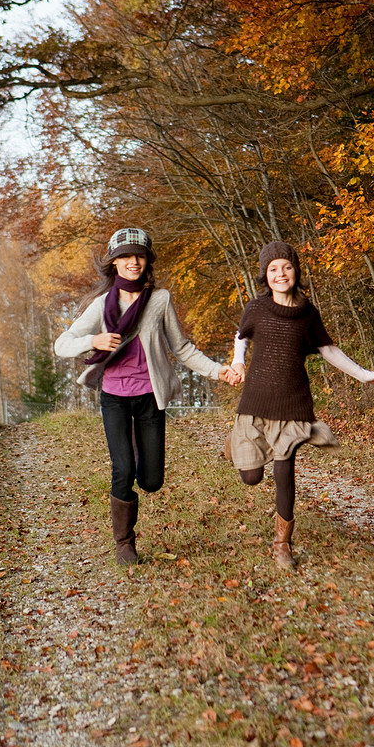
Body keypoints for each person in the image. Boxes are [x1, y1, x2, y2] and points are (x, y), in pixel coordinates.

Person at [55, 227, 239, 565]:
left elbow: (182, 348)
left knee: (151, 480)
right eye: (125, 256)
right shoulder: (100, 306)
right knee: (122, 470)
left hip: (150, 397)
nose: (133, 262)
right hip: (114, 396)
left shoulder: (160, 300)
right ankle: (124, 543)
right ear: (114, 263)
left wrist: (218, 370)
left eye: (138, 255)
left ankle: (139, 449)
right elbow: (62, 344)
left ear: (147, 261)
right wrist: (93, 341)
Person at [229, 240, 374, 570]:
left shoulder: (307, 313)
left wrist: (363, 374)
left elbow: (328, 349)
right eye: (273, 269)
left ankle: (282, 544)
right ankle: (234, 444)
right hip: (255, 402)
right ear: (265, 276)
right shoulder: (256, 309)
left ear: (296, 271)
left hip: (292, 404)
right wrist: (238, 363)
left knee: (284, 473)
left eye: (286, 266)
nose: (280, 273)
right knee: (251, 477)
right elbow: (241, 337)